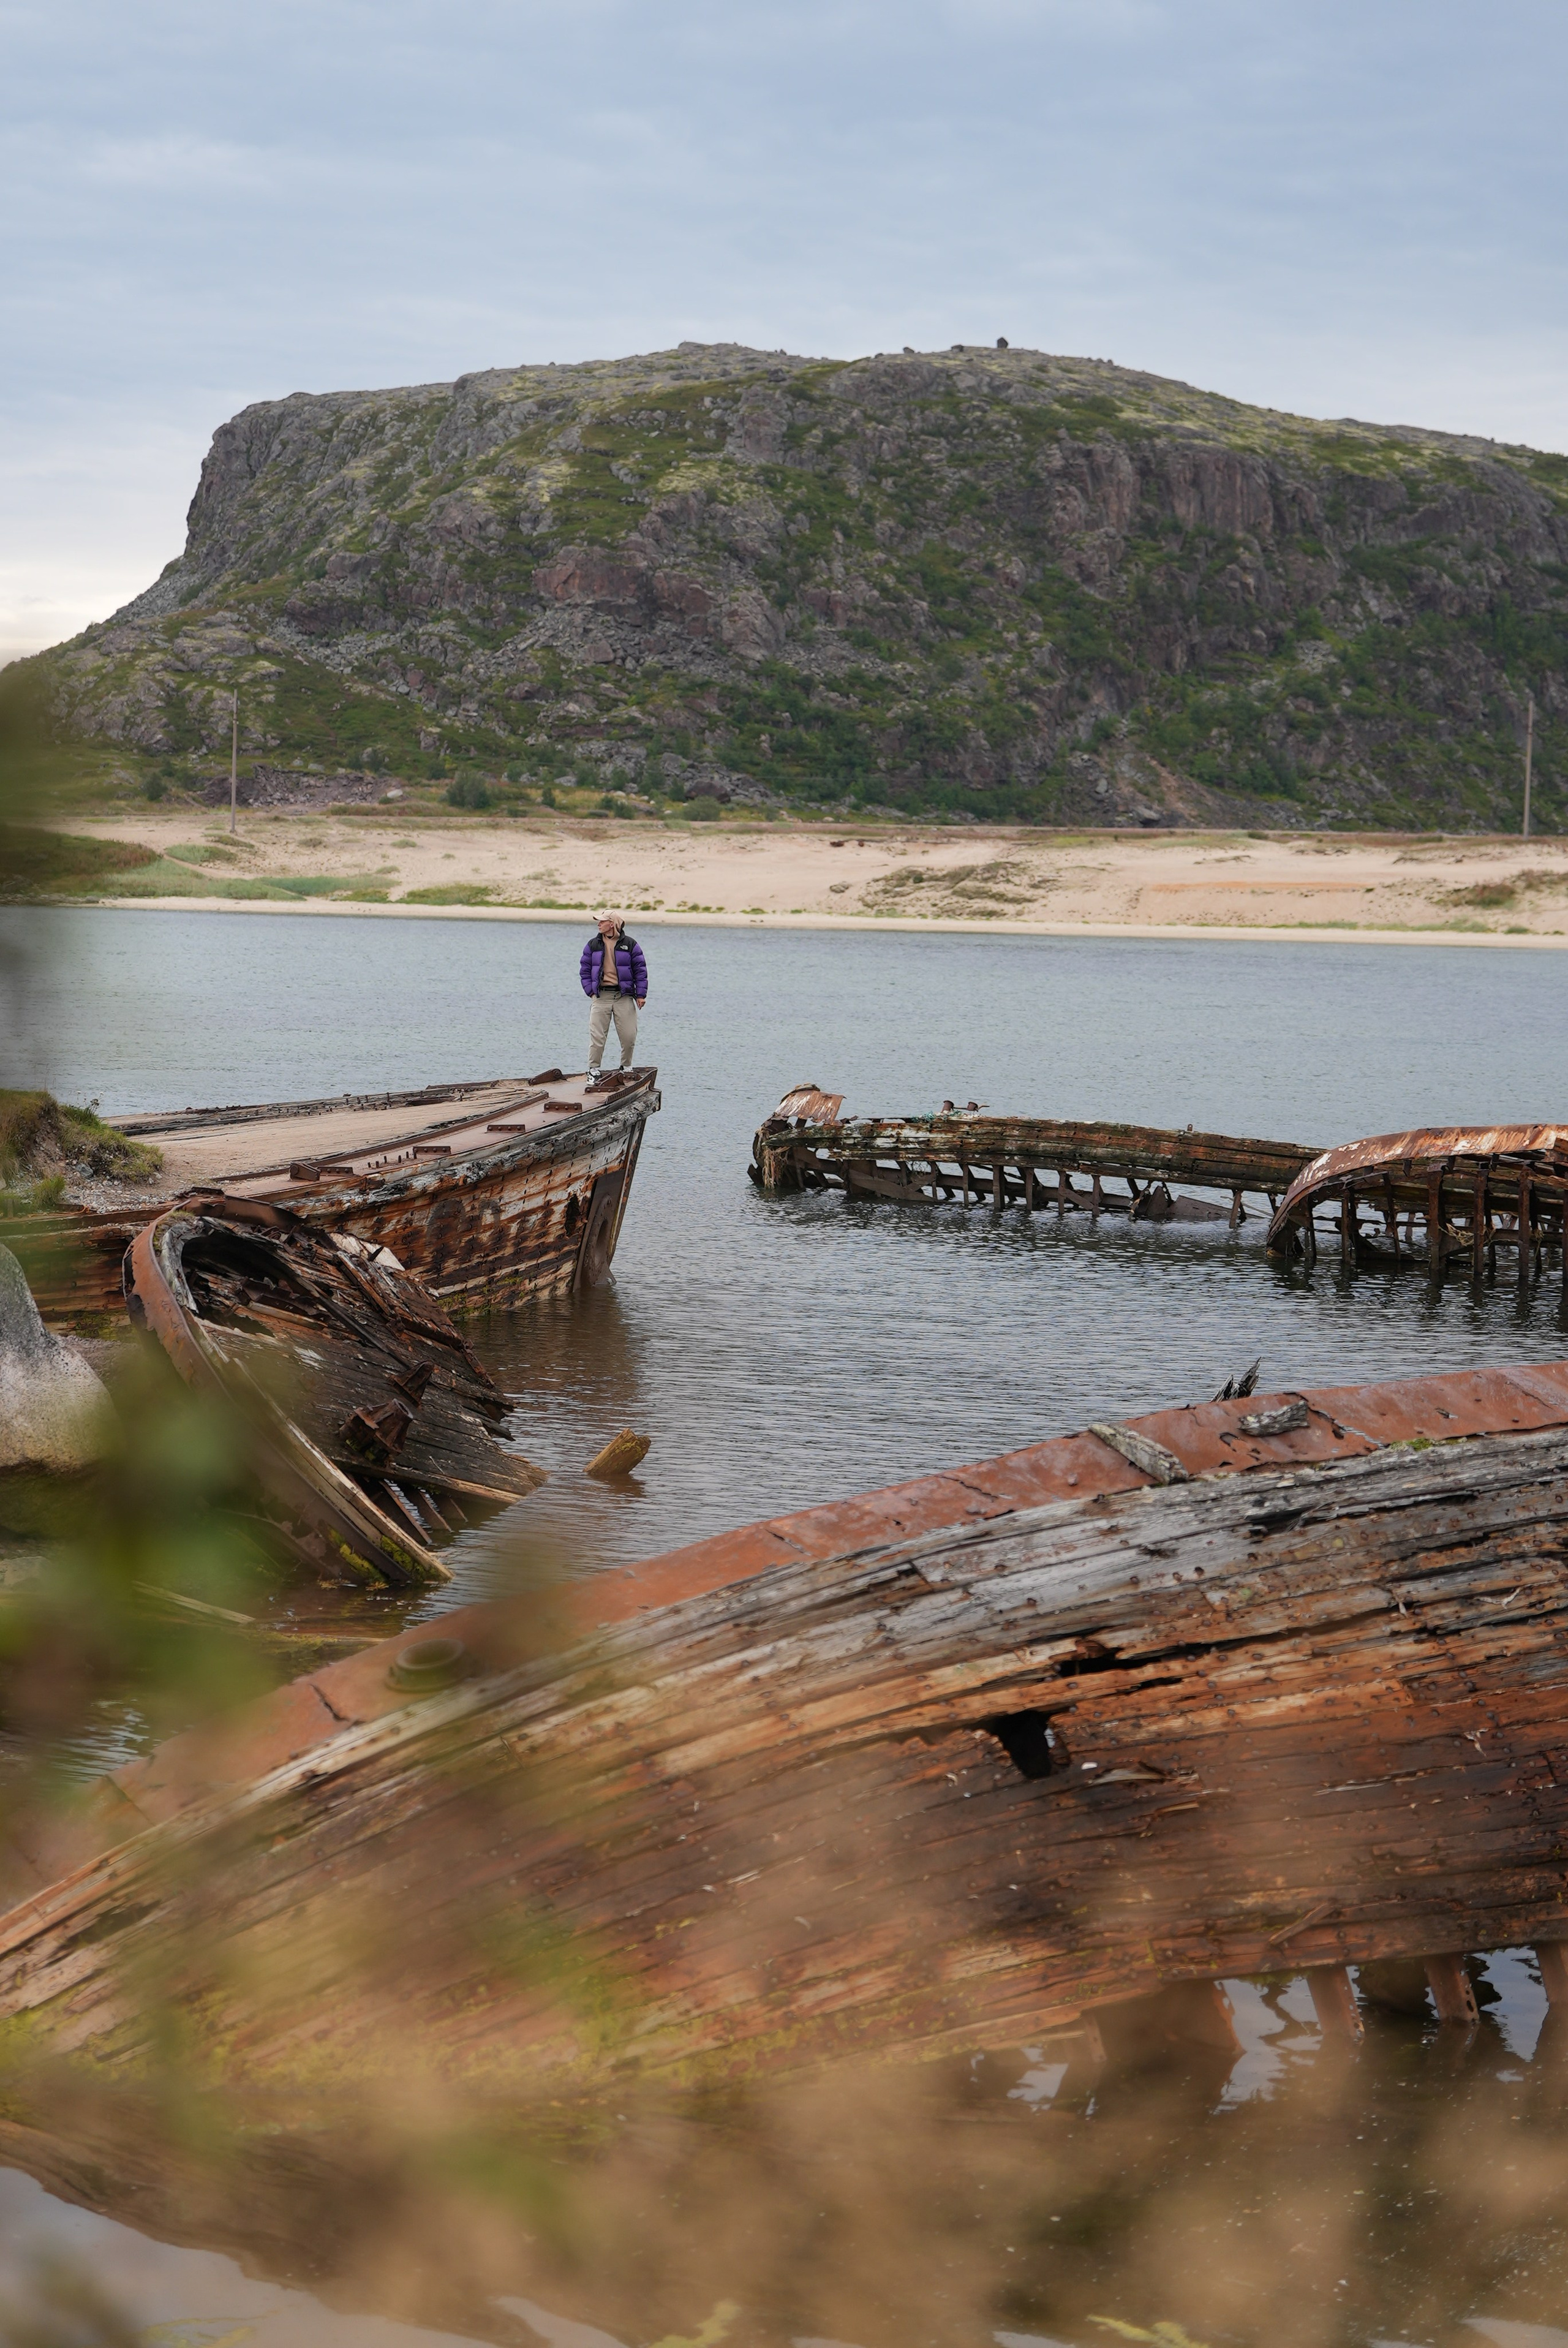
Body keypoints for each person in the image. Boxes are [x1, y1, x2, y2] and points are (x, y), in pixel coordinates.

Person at [580, 913, 647, 1076]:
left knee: (629, 1036)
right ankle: (593, 1069)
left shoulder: (630, 944)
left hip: (623, 997)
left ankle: (626, 1066)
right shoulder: (593, 944)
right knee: (597, 1036)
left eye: (602, 921)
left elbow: (641, 970)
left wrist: (641, 994)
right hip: (601, 996)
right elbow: (585, 970)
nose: (598, 924)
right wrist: (590, 991)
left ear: (612, 924)